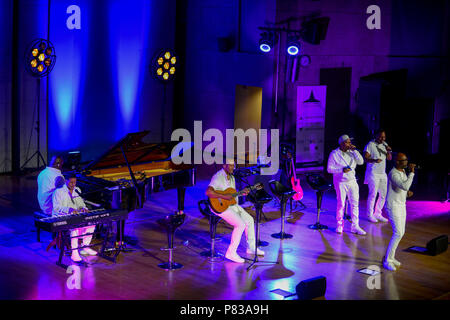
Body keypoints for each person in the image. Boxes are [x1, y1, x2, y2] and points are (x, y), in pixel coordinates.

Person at [206, 158, 264, 263]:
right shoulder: (218, 177)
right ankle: (231, 253)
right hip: (219, 207)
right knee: (240, 224)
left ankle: (251, 247)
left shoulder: (232, 177)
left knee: (250, 220)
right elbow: (209, 192)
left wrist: (241, 193)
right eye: (231, 165)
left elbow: (231, 194)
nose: (233, 167)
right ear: (224, 166)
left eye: (234, 165)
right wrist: (222, 196)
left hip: (231, 205)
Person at [52, 174, 97, 262]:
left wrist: (84, 208)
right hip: (61, 216)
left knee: (92, 224)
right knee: (75, 227)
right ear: (66, 181)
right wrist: (69, 209)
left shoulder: (77, 190)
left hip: (75, 215)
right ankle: (74, 253)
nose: (73, 184)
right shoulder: (58, 192)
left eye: (75, 182)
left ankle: (85, 247)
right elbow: (56, 208)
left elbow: (81, 204)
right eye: (71, 182)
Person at [327, 134, 366, 235]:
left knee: (355, 204)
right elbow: (329, 169)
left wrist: (355, 151)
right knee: (341, 204)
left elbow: (361, 162)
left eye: (350, 142)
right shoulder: (334, 154)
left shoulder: (352, 153)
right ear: (342, 143)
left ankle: (355, 226)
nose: (350, 144)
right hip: (341, 182)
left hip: (352, 181)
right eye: (348, 142)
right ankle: (339, 225)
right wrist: (341, 170)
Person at [382, 153, 415, 271]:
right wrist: (412, 173)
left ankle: (391, 257)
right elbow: (404, 186)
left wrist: (406, 194)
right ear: (397, 162)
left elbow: (402, 189)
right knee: (398, 232)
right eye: (403, 160)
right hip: (393, 206)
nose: (406, 162)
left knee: (401, 233)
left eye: (406, 160)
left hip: (401, 205)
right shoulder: (393, 173)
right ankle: (387, 260)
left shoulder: (402, 172)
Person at [364, 129, 392, 223]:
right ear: (376, 135)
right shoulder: (370, 145)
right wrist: (374, 160)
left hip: (382, 173)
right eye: (380, 136)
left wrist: (388, 151)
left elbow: (389, 158)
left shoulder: (385, 144)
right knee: (373, 194)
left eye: (384, 137)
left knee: (383, 194)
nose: (382, 138)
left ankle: (378, 213)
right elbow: (366, 158)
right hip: (373, 173)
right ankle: (369, 214)